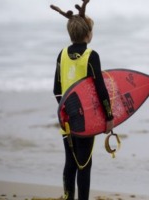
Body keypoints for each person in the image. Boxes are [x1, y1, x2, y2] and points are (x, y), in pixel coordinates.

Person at [51, 1, 114, 199]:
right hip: (85, 120)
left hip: (66, 119)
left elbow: (56, 90)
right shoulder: (91, 55)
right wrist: (109, 117)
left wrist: (67, 112)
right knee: (84, 165)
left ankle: (68, 197)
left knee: (70, 163)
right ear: (88, 34)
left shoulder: (62, 55)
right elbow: (101, 89)